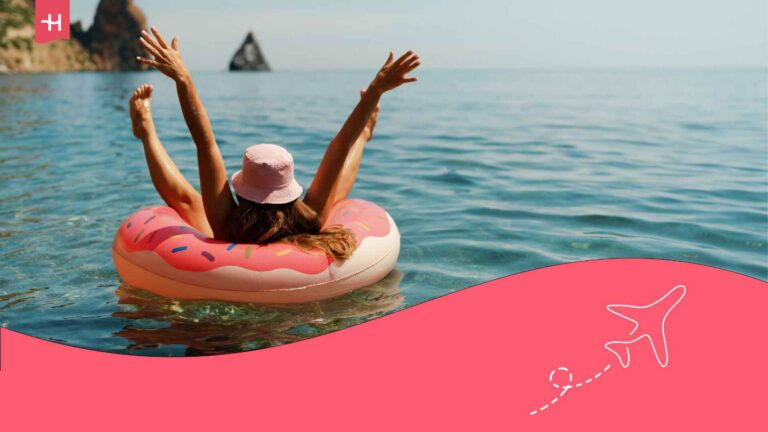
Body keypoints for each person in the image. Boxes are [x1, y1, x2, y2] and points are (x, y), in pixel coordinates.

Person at [129, 27, 420, 260]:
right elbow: (340, 146)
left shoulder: (226, 223)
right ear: (289, 189)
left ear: (242, 188)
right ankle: (366, 135)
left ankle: (147, 133)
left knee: (190, 201)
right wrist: (376, 91)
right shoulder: (311, 220)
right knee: (335, 190)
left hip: (225, 267)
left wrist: (183, 79)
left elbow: (205, 143)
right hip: (301, 239)